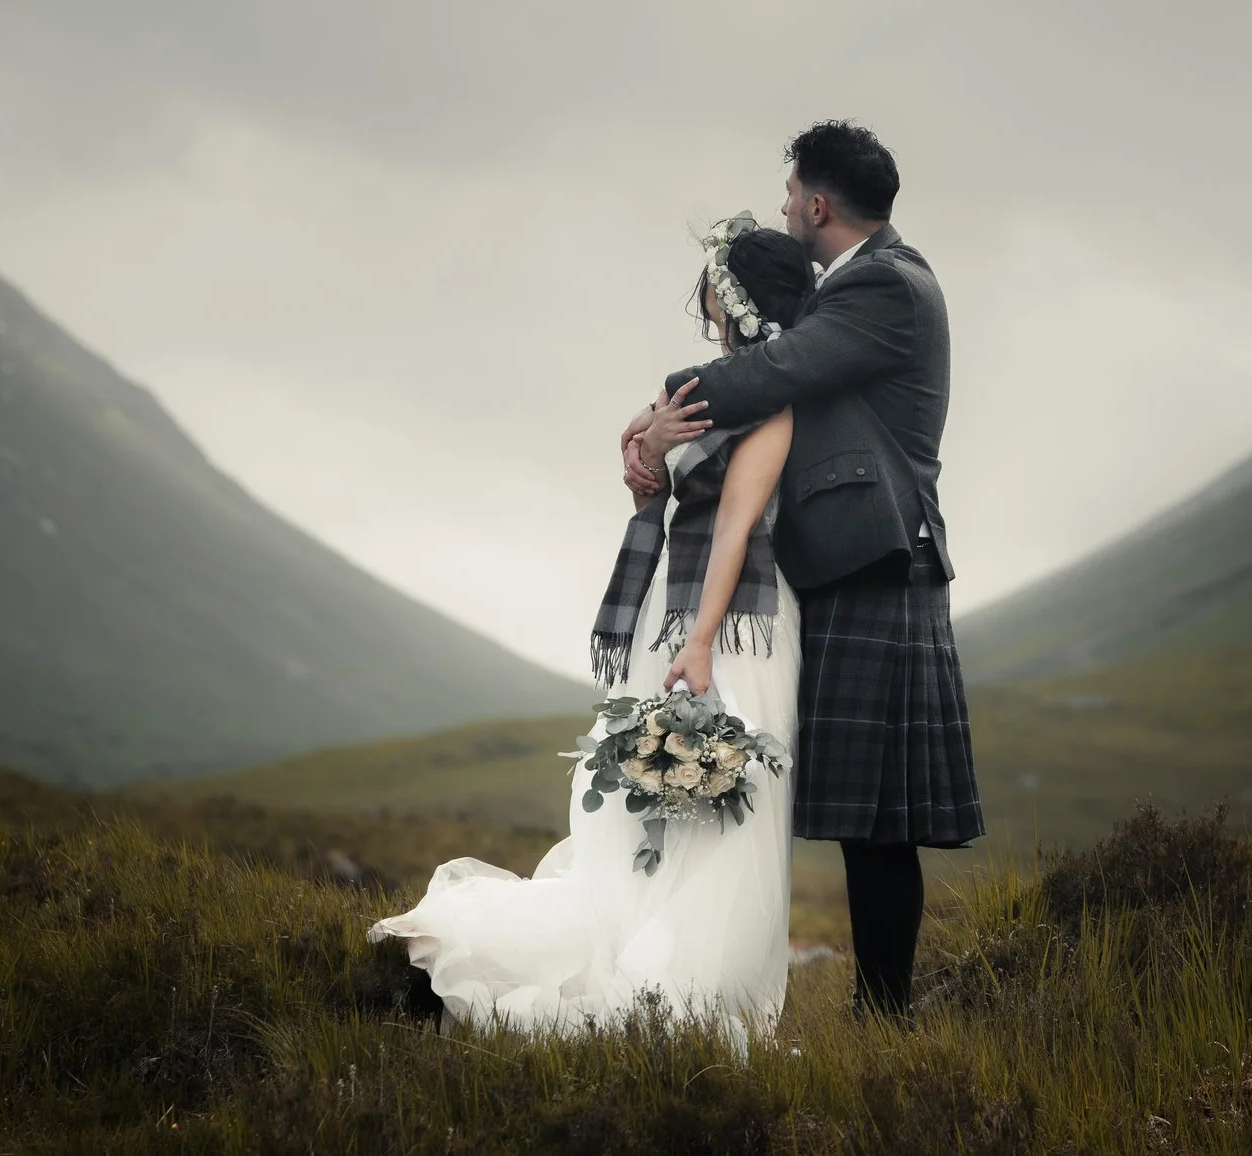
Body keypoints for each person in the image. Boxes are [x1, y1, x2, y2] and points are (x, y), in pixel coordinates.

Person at [369, 220, 817, 1040]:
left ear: (734, 297)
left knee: (726, 807)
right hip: (674, 614)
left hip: (733, 621)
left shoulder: (771, 410)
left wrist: (701, 637)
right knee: (656, 795)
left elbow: (735, 527)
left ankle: (689, 985)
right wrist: (645, 451)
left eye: (713, 279)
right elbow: (657, 491)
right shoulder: (695, 390)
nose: (704, 292)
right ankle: (659, 981)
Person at [625, 120, 981, 1020]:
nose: (783, 208)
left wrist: (652, 416)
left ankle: (884, 1012)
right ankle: (875, 1008)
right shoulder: (861, 284)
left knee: (883, 821)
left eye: (789, 195)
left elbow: (774, 366)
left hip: (883, 562)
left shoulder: (884, 289)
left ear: (817, 203)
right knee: (867, 817)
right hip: (859, 563)